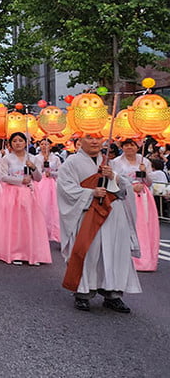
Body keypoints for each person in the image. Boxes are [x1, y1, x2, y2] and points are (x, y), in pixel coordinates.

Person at [57, 134, 141, 312]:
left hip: (113, 213)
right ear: (80, 141)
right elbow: (66, 188)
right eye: (89, 138)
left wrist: (114, 177)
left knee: (115, 253)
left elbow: (125, 188)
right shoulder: (72, 162)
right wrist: (90, 193)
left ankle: (113, 294)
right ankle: (83, 293)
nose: (95, 142)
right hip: (89, 213)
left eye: (97, 138)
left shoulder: (111, 162)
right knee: (88, 252)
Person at [0, 132, 52, 266]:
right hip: (12, 193)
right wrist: (20, 180)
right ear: (10, 144)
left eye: (20, 141)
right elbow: (3, 176)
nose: (17, 143)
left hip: (30, 193)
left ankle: (32, 252)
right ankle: (15, 252)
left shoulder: (33, 159)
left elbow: (39, 178)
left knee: (31, 222)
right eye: (15, 141)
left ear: (25, 143)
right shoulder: (6, 158)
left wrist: (34, 168)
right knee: (15, 223)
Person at [110, 138, 159, 272]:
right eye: (126, 145)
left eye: (132, 145)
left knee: (143, 226)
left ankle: (143, 260)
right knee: (125, 224)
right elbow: (114, 181)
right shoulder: (115, 162)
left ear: (137, 147)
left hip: (143, 197)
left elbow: (149, 182)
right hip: (125, 195)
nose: (129, 148)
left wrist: (144, 173)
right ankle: (122, 258)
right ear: (122, 147)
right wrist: (130, 188)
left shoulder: (145, 161)